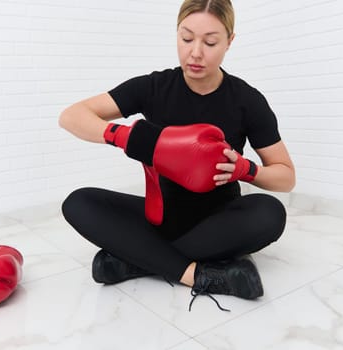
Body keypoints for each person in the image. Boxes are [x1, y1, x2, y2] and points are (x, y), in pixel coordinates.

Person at [59, 0, 295, 311]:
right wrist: (123, 136)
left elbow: (286, 176)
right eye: (186, 38)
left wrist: (247, 170)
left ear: (229, 41)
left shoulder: (247, 100)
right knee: (79, 203)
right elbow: (72, 116)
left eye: (210, 42)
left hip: (218, 222)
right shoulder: (154, 87)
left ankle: (138, 260)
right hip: (160, 217)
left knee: (270, 213)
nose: (195, 52)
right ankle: (196, 273)